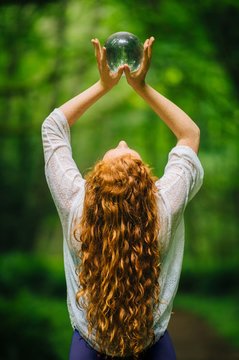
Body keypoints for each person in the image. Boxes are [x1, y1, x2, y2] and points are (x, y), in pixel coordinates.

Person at [42, 36, 203, 359]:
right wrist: (142, 86)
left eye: (117, 151)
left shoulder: (77, 207)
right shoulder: (162, 207)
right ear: (147, 182)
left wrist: (104, 85)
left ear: (95, 182)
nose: (122, 141)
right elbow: (189, 134)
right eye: (128, 151)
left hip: (89, 345)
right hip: (152, 346)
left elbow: (53, 126)